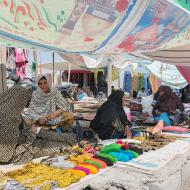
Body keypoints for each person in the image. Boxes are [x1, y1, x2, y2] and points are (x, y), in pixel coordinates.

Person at [0, 86, 78, 164]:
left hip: (27, 140)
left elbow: (28, 127)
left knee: (57, 138)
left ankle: (70, 138)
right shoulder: (7, 119)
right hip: (17, 153)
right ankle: (70, 139)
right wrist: (33, 132)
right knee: (63, 146)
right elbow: (7, 153)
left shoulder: (10, 111)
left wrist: (34, 126)